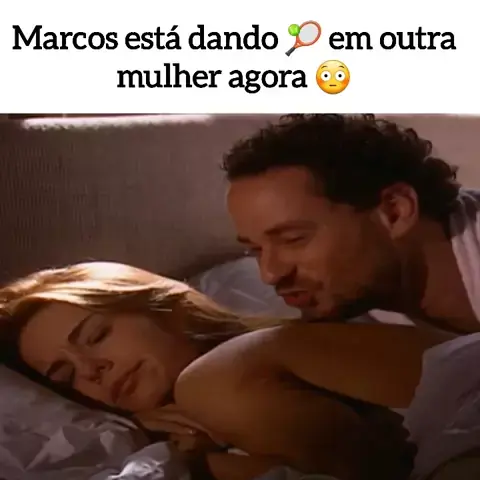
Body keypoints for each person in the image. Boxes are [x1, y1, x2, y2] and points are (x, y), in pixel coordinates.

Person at [0, 261, 442, 480]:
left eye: (96, 336)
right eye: (66, 375)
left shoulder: (300, 342)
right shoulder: (172, 449)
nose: (91, 370)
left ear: (161, 307)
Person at [222, 114, 480, 335]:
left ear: (394, 211)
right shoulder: (357, 311)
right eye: (255, 250)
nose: (270, 274)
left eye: (293, 239)